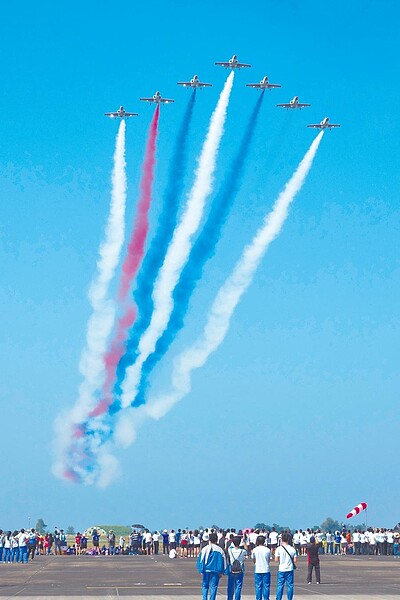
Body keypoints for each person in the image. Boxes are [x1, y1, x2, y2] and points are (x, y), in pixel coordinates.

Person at [196, 532, 227, 600]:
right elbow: (224, 562)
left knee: (205, 586)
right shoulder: (220, 550)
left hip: (206, 570)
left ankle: (204, 598)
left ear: (209, 540)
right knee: (214, 586)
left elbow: (201, 560)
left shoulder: (204, 549)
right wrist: (222, 571)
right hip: (215, 571)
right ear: (216, 540)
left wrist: (201, 569)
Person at [275, 532, 297, 600]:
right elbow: (295, 560)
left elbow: (276, 560)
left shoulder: (278, 549)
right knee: (290, 585)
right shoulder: (292, 549)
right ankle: (289, 598)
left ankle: (278, 598)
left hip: (281, 569)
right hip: (289, 569)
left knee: (280, 585)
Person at [227, 535, 247, 600]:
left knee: (230, 585)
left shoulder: (230, 550)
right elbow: (246, 550)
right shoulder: (243, 551)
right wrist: (244, 542)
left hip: (232, 569)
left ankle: (230, 598)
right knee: (238, 586)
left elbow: (229, 547)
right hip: (240, 569)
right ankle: (237, 598)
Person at [252, 535, 271, 600]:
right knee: (266, 586)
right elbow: (268, 560)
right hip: (266, 569)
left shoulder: (254, 550)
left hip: (258, 569)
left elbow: (254, 560)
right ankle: (266, 598)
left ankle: (258, 598)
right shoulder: (267, 550)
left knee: (258, 587)